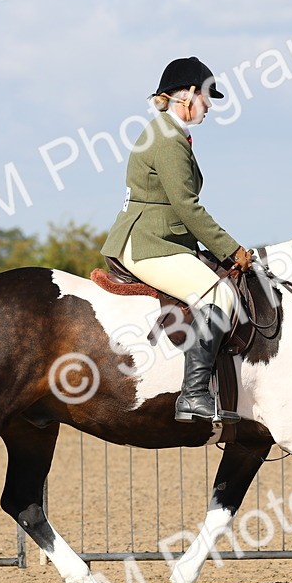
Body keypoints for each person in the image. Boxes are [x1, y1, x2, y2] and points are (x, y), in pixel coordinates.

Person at [101, 56, 255, 425]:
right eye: (206, 97)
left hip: (159, 238)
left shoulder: (166, 132)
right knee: (218, 293)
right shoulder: (168, 139)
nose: (209, 106)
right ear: (187, 95)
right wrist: (230, 249)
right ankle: (193, 395)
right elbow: (187, 207)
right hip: (149, 243)